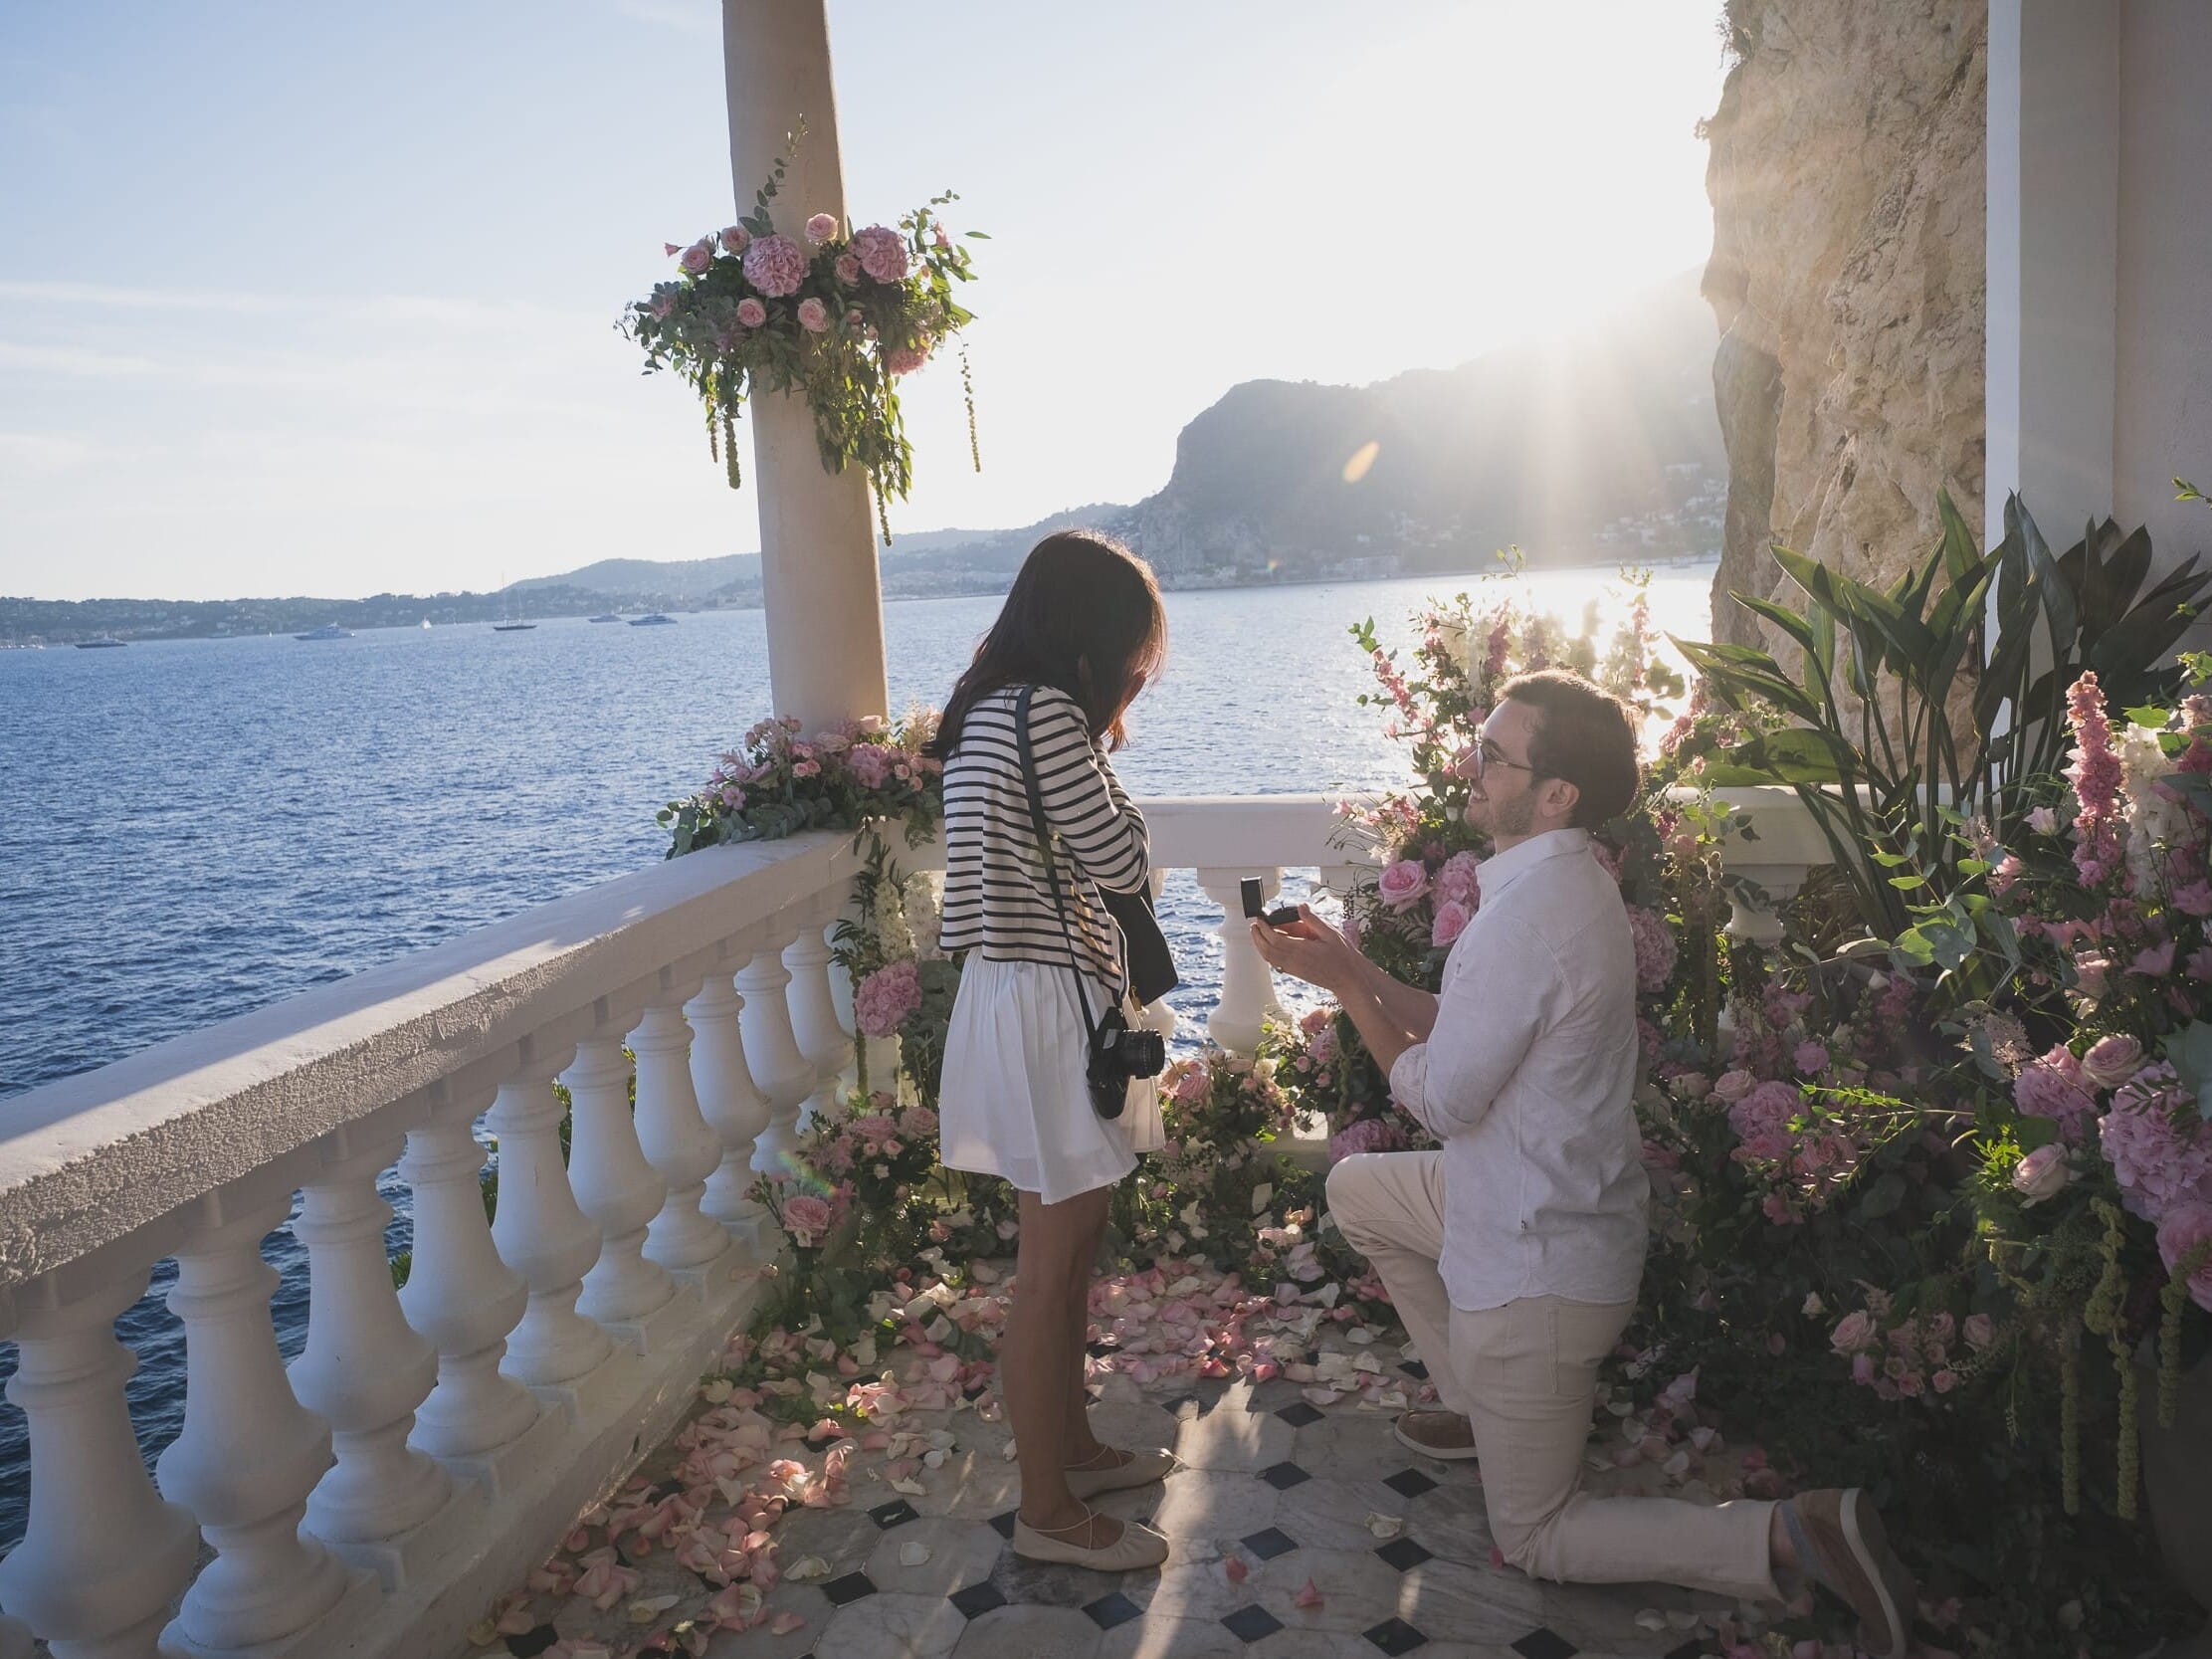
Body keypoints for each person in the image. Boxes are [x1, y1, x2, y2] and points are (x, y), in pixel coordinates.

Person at [1250, 668, 1922, 1659]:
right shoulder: (1557, 884)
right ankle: (1486, 1407)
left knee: (1536, 1533)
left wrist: (1345, 982)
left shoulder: (1530, 913)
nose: (1471, 767)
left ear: (1556, 793)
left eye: (1495, 755)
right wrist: (1354, 965)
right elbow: (1468, 1029)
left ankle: (1788, 1530)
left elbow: (1442, 1095)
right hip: (1521, 1197)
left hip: (1538, 1261)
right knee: (1360, 1188)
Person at [925, 529, 1175, 1571]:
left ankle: (1069, 1445)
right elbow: (1118, 854)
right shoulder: (1044, 716)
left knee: (1066, 1251)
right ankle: (1045, 1508)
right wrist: (1117, 788)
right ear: (1094, 636)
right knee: (1049, 1263)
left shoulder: (986, 711)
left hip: (1011, 993)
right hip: (1049, 1006)